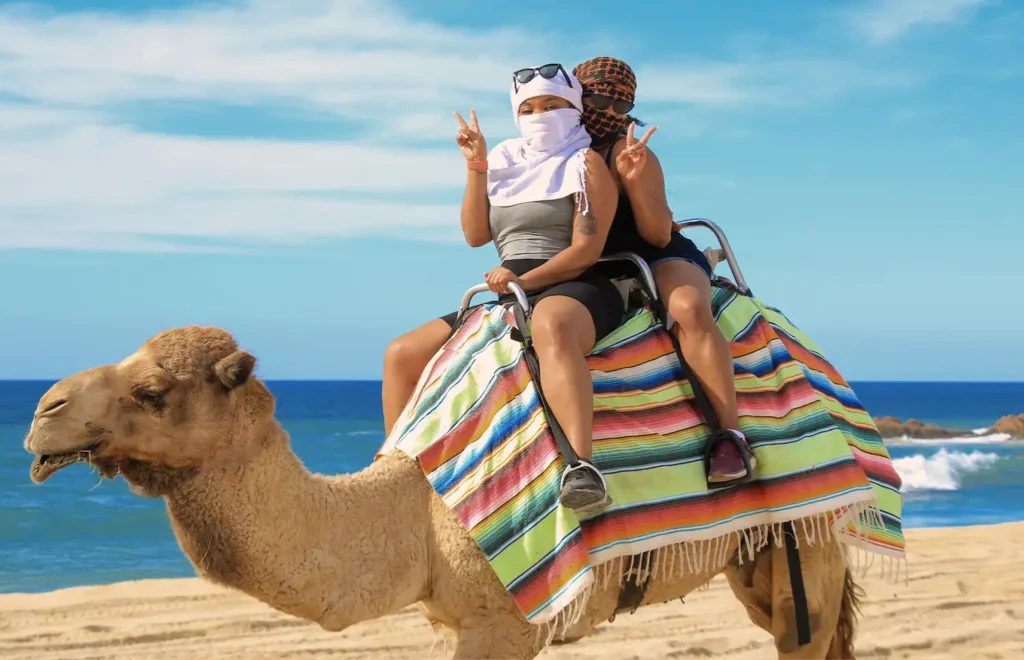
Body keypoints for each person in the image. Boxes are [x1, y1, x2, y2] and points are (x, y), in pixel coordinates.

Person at [382, 63, 623, 513]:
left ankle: (582, 467)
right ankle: (399, 477)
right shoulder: (507, 161)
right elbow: (476, 234)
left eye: (553, 105)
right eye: (529, 108)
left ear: (573, 109)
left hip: (576, 284)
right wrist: (476, 164)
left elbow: (586, 252)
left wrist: (521, 282)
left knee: (551, 325)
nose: (541, 115)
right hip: (510, 291)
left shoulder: (585, 163)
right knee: (401, 353)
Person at [571, 56, 755, 485]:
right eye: (599, 100)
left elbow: (656, 235)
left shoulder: (631, 150)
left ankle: (731, 435)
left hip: (653, 254)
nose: (612, 115)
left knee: (689, 308)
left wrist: (634, 182)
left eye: (623, 106)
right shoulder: (552, 152)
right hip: (594, 262)